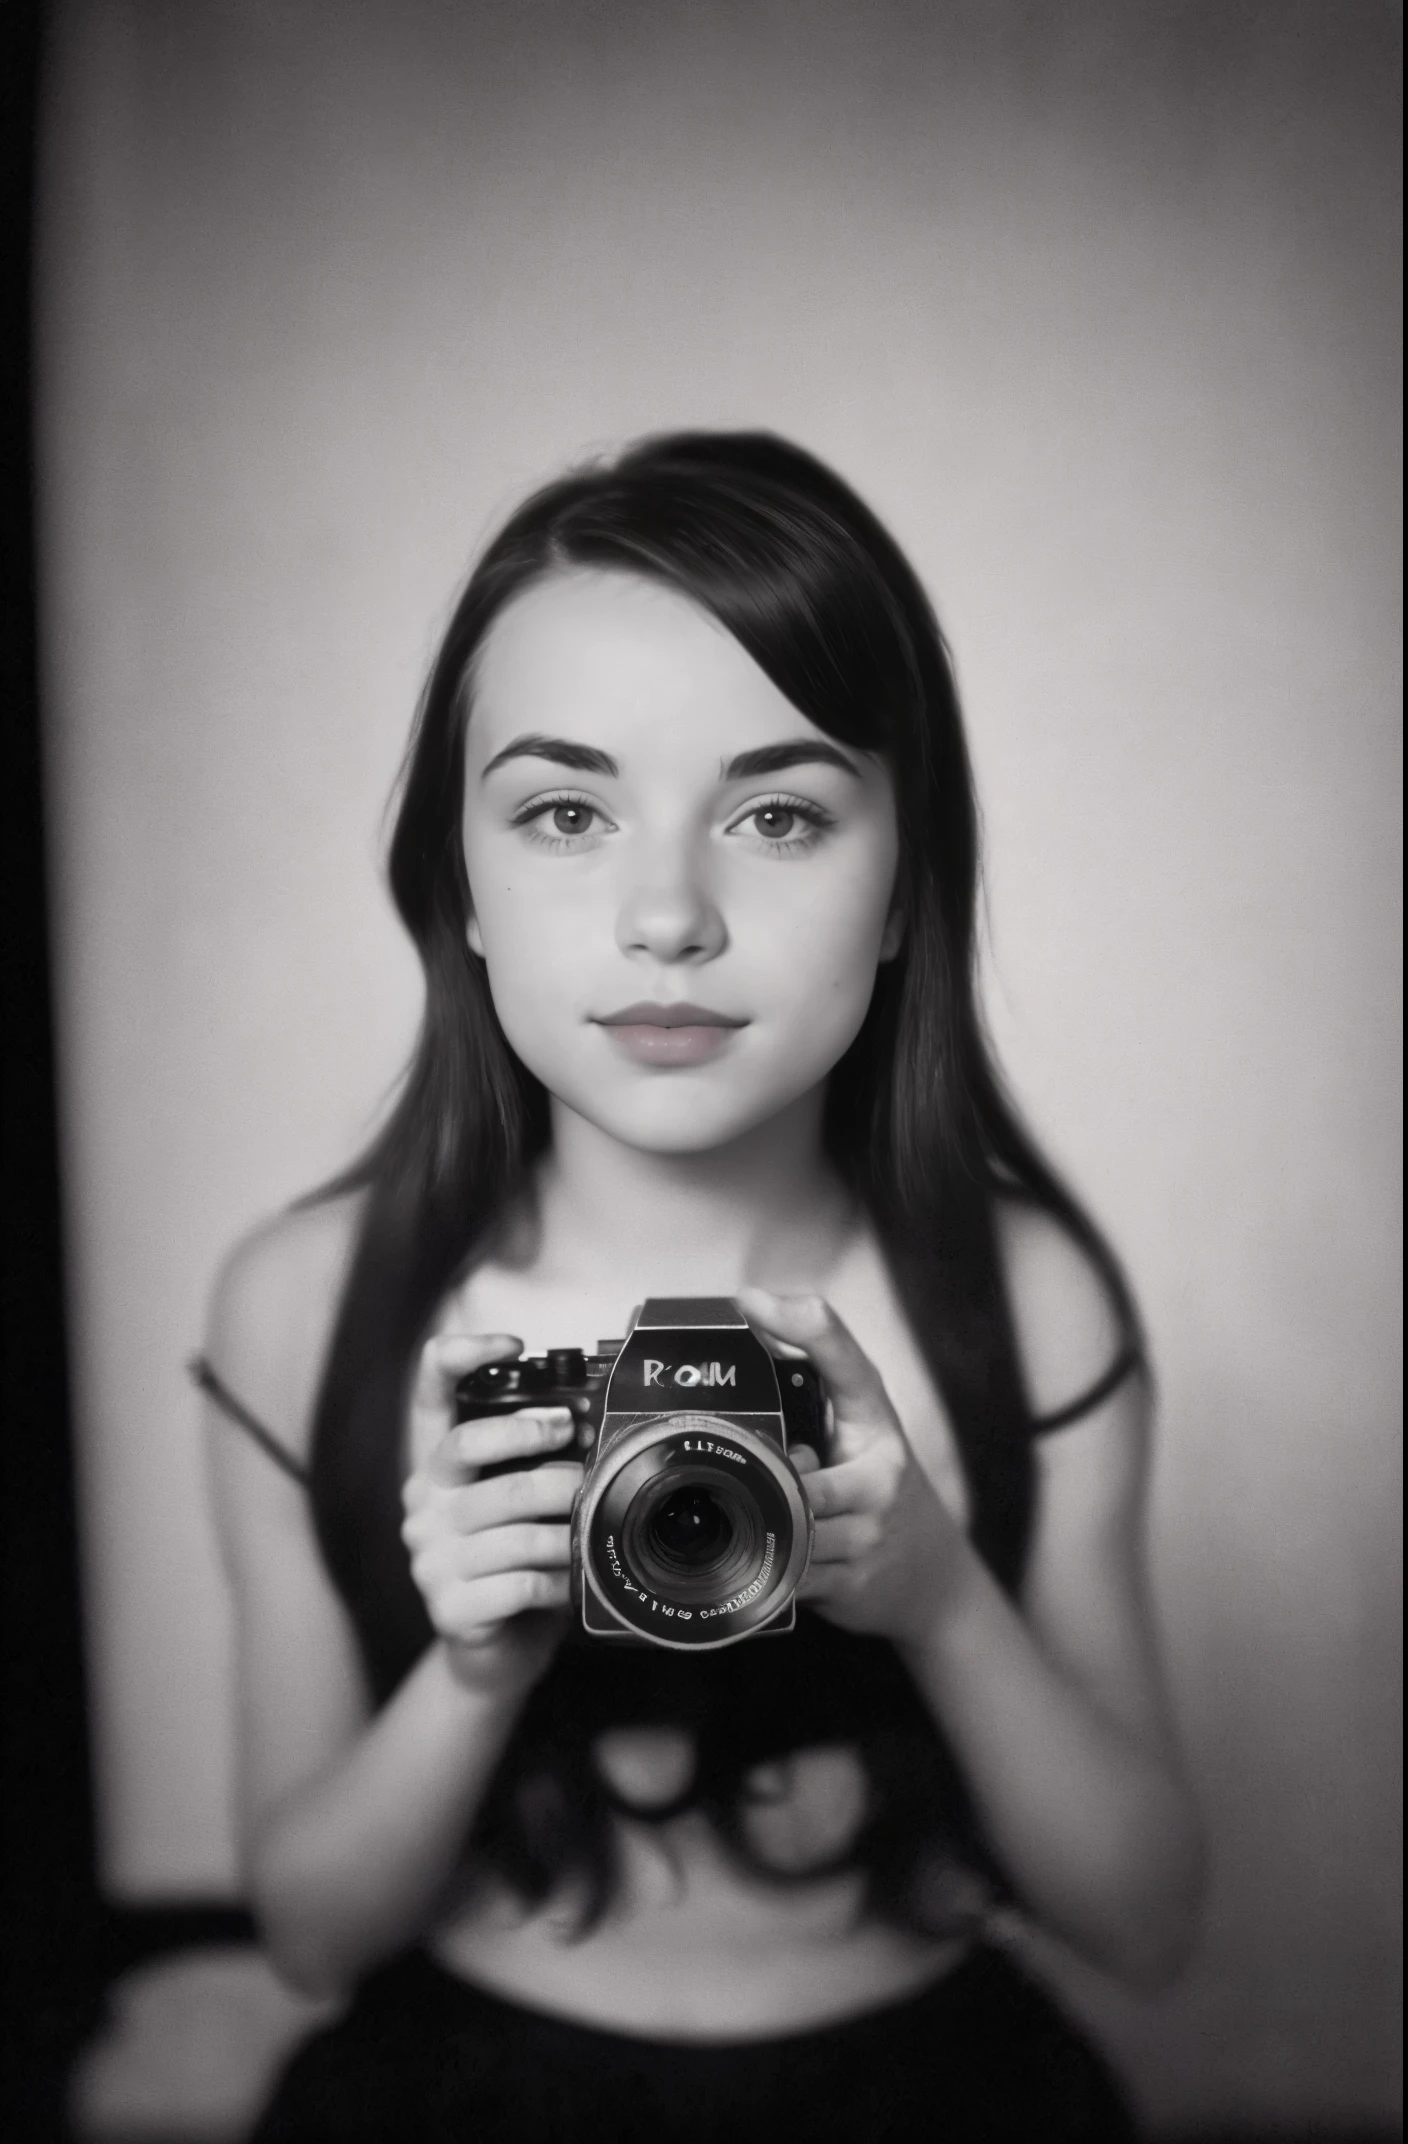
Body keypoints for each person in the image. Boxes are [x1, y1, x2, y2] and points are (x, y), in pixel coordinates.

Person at [196, 431, 1204, 2142]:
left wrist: (941, 1596)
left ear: (901, 892)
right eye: (567, 812)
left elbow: (1146, 1920)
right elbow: (308, 1936)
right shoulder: (307, 1303)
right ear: (461, 892)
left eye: (780, 813)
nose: (669, 913)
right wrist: (476, 1662)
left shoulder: (1024, 1303)